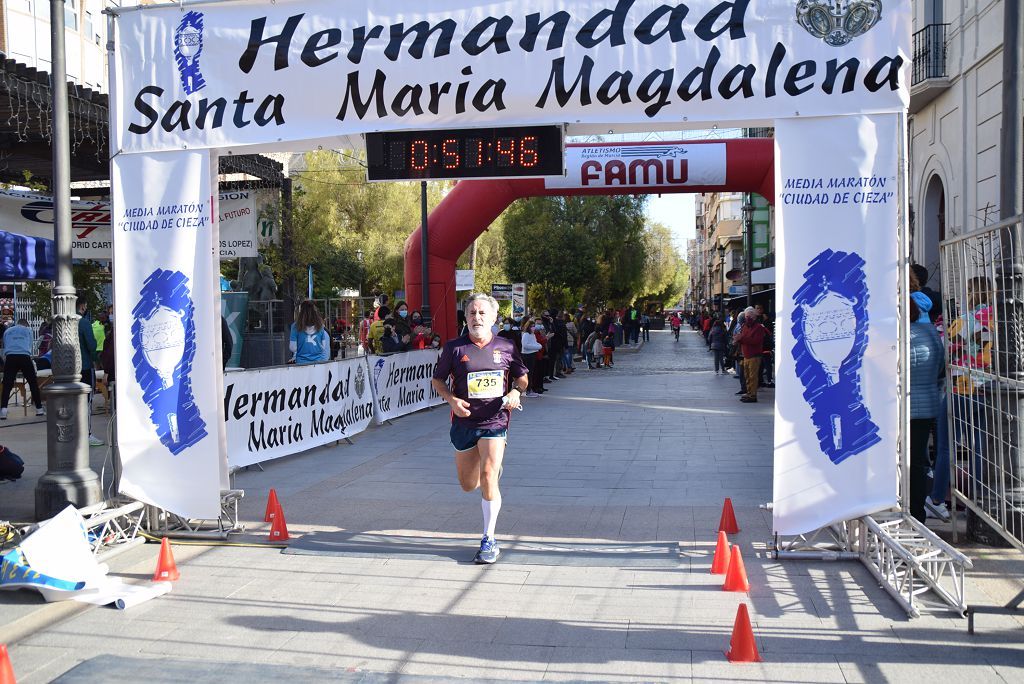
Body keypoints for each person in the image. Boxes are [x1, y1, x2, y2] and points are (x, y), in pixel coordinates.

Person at [431, 292, 528, 565]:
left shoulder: (507, 347)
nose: (477, 318)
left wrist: (516, 393)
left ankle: (489, 538)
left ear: (494, 317)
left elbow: (523, 379)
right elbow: (437, 381)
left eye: (483, 313)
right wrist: (451, 399)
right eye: (472, 313)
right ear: (466, 317)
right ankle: (487, 476)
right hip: (463, 423)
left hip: (495, 420)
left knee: (488, 474)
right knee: (467, 484)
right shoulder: (454, 348)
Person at [909, 291, 944, 524]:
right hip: (928, 405)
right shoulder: (933, 332)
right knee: (919, 462)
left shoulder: (907, 335)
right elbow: (940, 369)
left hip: (906, 406)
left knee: (907, 463)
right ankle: (917, 513)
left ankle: (909, 510)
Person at [0, 318, 44, 418]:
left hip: (11, 357)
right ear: (25, 324)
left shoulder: (7, 331)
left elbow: (5, 345)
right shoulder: (28, 330)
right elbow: (29, 346)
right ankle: (39, 409)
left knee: (7, 384)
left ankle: (3, 410)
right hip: (24, 356)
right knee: (33, 382)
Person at [77, 297, 103, 446]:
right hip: (85, 367)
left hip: (66, 370)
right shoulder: (84, 323)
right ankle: (86, 434)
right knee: (86, 402)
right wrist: (97, 360)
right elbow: (91, 346)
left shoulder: (62, 322)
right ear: (82, 306)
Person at [734, 307, 768, 403]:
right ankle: (749, 392)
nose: (747, 318)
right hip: (746, 355)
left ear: (754, 316)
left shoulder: (759, 328)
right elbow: (744, 338)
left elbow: (756, 341)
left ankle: (752, 395)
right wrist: (737, 339)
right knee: (747, 376)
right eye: (746, 316)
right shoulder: (745, 326)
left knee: (753, 376)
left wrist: (741, 339)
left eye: (748, 316)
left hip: (754, 355)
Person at [289, 300, 330, 365]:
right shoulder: (320, 326)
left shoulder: (295, 326)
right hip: (318, 363)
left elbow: (293, 347)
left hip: (301, 363)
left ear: (301, 312)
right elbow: (323, 346)